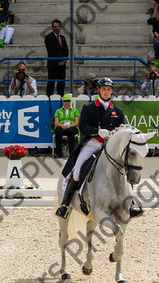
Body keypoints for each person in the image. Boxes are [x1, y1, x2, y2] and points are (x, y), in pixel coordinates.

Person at [54, 78, 142, 219]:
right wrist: (97, 131)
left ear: (111, 91)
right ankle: (65, 204)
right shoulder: (89, 108)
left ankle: (130, 204)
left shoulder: (118, 111)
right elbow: (83, 127)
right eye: (103, 89)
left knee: (126, 170)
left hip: (111, 146)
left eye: (108, 89)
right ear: (98, 90)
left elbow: (123, 130)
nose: (106, 92)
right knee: (77, 172)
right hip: (93, 143)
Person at [44, 19, 69, 96]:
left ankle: (60, 98)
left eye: (58, 26)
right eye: (55, 26)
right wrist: (61, 59)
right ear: (52, 27)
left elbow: (66, 49)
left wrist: (65, 59)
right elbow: (51, 51)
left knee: (61, 84)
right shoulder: (48, 37)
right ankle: (48, 99)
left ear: (60, 27)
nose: (57, 28)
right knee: (51, 83)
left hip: (62, 66)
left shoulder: (62, 38)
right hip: (53, 64)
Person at [53, 93, 79, 158]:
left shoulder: (75, 110)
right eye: (65, 101)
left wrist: (69, 126)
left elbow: (76, 122)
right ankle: (58, 152)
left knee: (70, 131)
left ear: (70, 101)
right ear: (63, 101)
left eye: (68, 101)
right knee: (58, 131)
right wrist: (62, 125)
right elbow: (56, 123)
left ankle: (71, 153)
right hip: (62, 127)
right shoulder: (58, 111)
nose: (67, 102)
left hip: (71, 127)